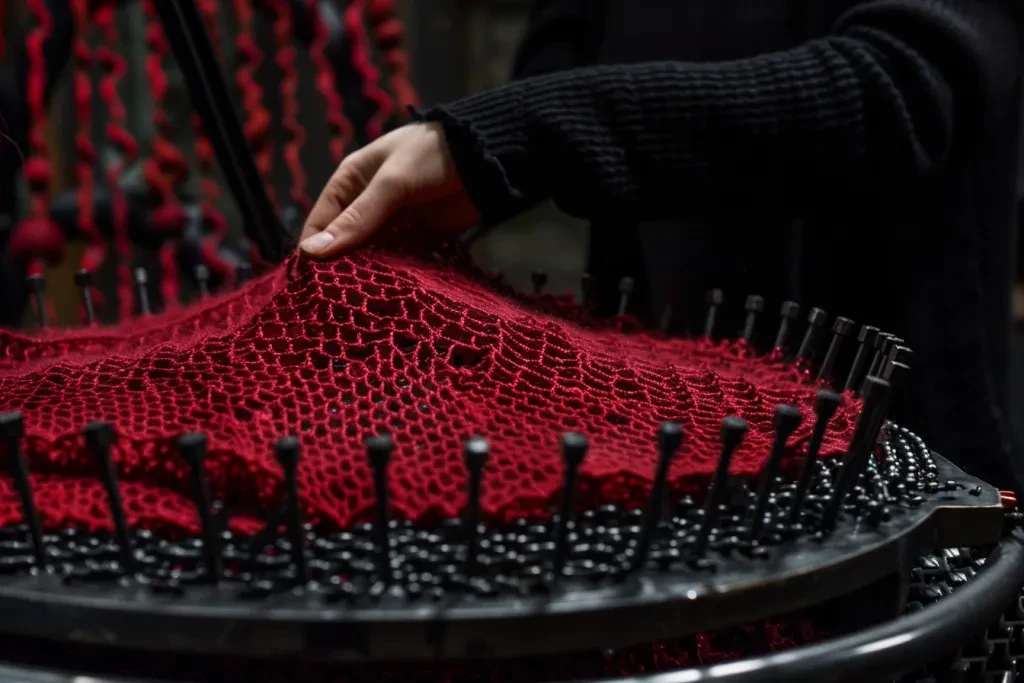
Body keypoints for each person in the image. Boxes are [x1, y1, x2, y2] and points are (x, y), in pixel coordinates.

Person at [299, 0, 1023, 492]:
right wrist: (456, 182)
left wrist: (512, 138)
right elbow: (564, 53)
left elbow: (897, 87)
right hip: (660, 421)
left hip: (894, 438)